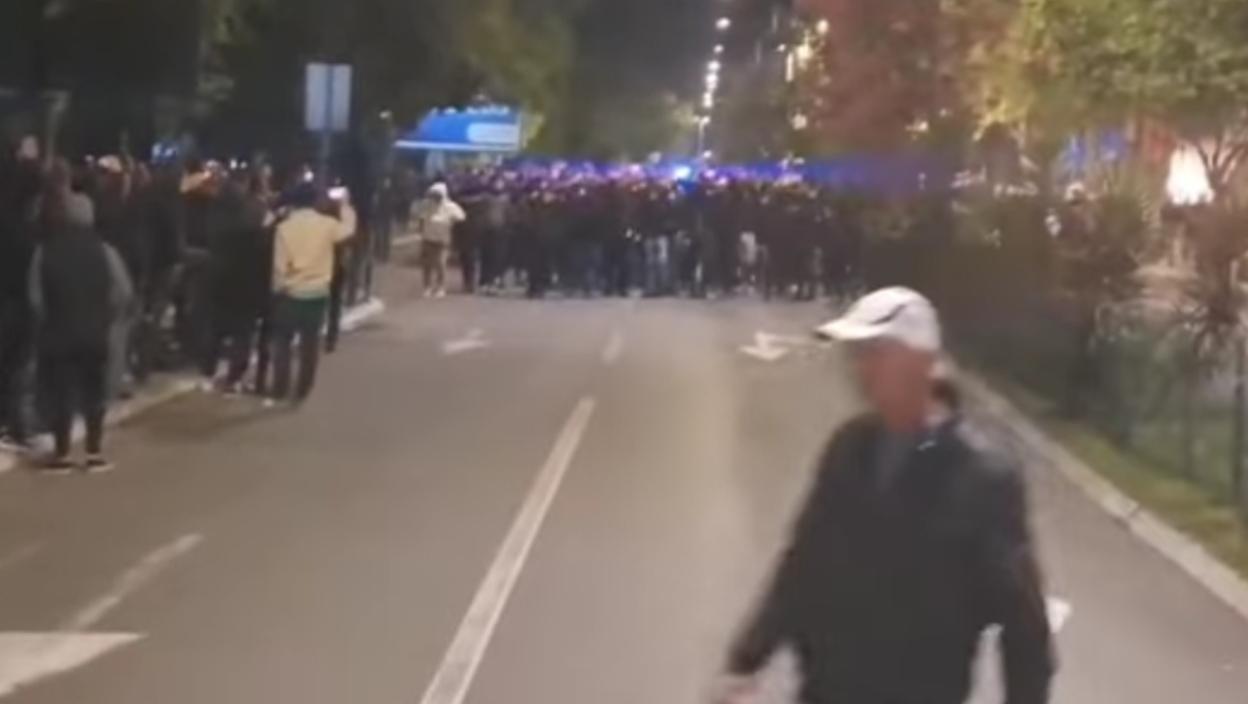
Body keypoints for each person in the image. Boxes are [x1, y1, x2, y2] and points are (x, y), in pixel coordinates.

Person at [716, 287, 1055, 704]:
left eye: (876, 353)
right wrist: (747, 660)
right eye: (857, 354)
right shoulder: (849, 447)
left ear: (920, 360)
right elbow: (804, 561)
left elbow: (1023, 626)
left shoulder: (982, 477)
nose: (861, 368)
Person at [28, 186, 134, 473]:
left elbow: (35, 298)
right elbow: (122, 292)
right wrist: (105, 317)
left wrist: (49, 320)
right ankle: (93, 451)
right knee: (94, 393)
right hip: (95, 333)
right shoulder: (105, 251)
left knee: (61, 393)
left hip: (58, 333)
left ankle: (62, 453)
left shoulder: (45, 251)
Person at [270, 184, 350, 405]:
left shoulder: (284, 228)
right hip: (317, 293)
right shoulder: (328, 225)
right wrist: (344, 205)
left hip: (290, 292)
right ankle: (303, 388)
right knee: (310, 344)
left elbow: (279, 266)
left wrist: (277, 289)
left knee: (282, 342)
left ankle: (280, 387)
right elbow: (348, 230)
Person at [412, 182, 465, 298]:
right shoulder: (426, 205)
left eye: (437, 195)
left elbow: (461, 217)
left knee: (440, 263)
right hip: (428, 237)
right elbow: (416, 213)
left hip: (443, 239)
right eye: (433, 195)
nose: (435, 197)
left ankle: (441, 287)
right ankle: (427, 287)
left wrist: (450, 221)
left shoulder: (450, 206)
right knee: (427, 264)